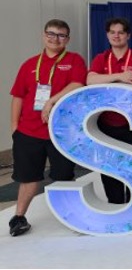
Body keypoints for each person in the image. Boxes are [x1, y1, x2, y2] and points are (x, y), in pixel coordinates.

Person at [8, 19, 87, 236]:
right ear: (44, 36)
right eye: (51, 34)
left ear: (67, 39)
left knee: (63, 176)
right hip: (29, 131)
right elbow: (18, 97)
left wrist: (51, 101)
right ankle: (19, 217)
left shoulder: (74, 60)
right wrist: (15, 127)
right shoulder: (29, 64)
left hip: (61, 131)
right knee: (28, 179)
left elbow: (78, 84)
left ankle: (73, 216)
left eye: (61, 35)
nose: (55, 38)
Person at [87, 17, 132, 204]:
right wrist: (120, 76)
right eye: (112, 32)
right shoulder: (101, 58)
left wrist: (105, 78)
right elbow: (90, 80)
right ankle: (115, 204)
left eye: (121, 32)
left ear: (128, 35)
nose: (116, 36)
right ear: (107, 35)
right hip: (105, 122)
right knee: (109, 166)